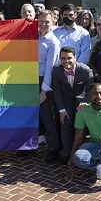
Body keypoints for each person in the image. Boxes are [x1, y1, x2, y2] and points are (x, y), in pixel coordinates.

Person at [51, 46, 94, 163]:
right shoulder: (56, 70)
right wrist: (61, 110)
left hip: (81, 99)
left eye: (69, 58)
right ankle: (66, 152)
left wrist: (86, 102)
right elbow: (57, 90)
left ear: (75, 58)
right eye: (63, 58)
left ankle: (82, 153)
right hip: (66, 99)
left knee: (80, 126)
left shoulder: (85, 70)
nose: (66, 61)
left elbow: (91, 89)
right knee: (65, 123)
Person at [37, 10, 61, 163]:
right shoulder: (34, 37)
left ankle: (53, 149)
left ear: (53, 22)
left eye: (47, 21)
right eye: (41, 21)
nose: (44, 24)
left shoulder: (53, 42)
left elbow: (50, 68)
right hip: (30, 79)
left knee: (47, 116)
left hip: (45, 81)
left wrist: (44, 90)